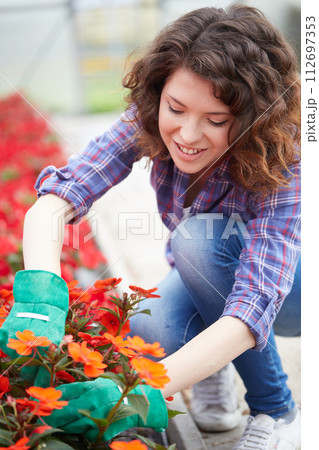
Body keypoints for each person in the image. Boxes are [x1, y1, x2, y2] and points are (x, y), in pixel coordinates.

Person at [0, 4, 301, 450]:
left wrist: (132, 395)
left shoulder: (285, 159)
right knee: (148, 325)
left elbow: (253, 304)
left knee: (199, 239)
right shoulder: (150, 118)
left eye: (216, 120)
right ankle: (211, 378)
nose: (187, 134)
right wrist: (40, 298)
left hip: (293, 289)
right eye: (176, 107)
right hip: (211, 273)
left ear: (253, 118)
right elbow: (58, 198)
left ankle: (276, 410)